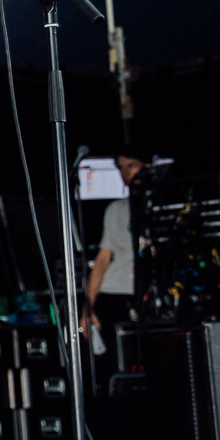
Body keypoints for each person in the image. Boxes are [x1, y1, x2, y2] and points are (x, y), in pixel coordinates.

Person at [86, 149, 147, 378]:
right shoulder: (117, 209)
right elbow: (103, 260)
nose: (126, 173)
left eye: (131, 165)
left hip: (149, 295)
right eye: (121, 168)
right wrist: (88, 306)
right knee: (119, 364)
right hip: (117, 294)